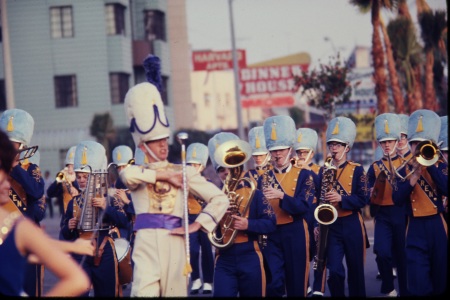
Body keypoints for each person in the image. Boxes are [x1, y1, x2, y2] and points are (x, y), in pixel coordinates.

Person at [119, 54, 229, 297]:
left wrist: (199, 224)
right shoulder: (138, 171)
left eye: (164, 141)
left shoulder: (184, 171)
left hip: (177, 241)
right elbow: (127, 175)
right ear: (142, 146)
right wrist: (163, 178)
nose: (162, 147)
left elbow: (220, 198)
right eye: (155, 142)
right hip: (146, 243)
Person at [0, 128, 93, 297]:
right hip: (66, 225)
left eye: (75, 167)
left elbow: (38, 199)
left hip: (82, 231)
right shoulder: (63, 179)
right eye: (70, 166)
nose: (72, 170)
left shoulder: (89, 186)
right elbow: (51, 192)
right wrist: (60, 180)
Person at [207, 132, 277, 297]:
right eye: (220, 169)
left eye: (228, 168)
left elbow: (270, 223)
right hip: (224, 258)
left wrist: (248, 225)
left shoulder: (255, 193)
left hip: (250, 255)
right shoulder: (213, 196)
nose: (225, 173)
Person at [60, 140, 130, 297]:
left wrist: (106, 207)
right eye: (79, 176)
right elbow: (65, 233)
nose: (82, 179)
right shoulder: (73, 202)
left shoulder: (109, 198)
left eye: (86, 176)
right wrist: (69, 227)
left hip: (104, 252)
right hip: (81, 252)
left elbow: (124, 221)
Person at [392, 109, 447, 296]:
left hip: (437, 225)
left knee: (441, 280)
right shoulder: (403, 169)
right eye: (414, 143)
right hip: (415, 227)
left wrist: (430, 167)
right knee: (418, 283)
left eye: (422, 144)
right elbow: (397, 200)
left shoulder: (440, 166)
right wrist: (414, 177)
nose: (417, 147)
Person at [260, 115, 316, 297]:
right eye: (274, 150)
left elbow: (304, 206)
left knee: (297, 283)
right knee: (273, 282)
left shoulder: (304, 175)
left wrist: (282, 196)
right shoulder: (263, 177)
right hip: (272, 233)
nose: (278, 154)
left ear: (290, 149)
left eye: (282, 149)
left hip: (296, 231)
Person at [319, 116, 368, 297]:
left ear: (347, 148)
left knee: (356, 272)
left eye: (338, 145)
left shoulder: (357, 170)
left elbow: (363, 199)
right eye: (331, 144)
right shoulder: (323, 170)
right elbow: (318, 199)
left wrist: (342, 199)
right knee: (335, 270)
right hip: (331, 226)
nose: (334, 148)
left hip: (352, 223)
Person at [0, 108, 47, 297]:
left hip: (27, 241)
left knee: (30, 290)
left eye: (15, 146)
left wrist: (16, 167)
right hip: (4, 239)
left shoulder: (30, 168)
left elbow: (36, 193)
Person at [366, 113, 408, 297]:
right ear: (380, 144)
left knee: (402, 256)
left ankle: (406, 290)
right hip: (382, 215)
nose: (387, 145)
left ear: (396, 141)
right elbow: (366, 187)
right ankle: (389, 287)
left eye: (390, 141)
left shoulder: (406, 164)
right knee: (382, 251)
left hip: (401, 213)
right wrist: (368, 192)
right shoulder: (374, 166)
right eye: (383, 142)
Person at [292, 127, 322, 297]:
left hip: (316, 213)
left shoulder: (319, 169)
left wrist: (308, 169)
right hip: (301, 214)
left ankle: (318, 287)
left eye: (304, 152)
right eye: (299, 152)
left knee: (319, 253)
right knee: (303, 253)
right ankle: (306, 284)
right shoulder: (294, 171)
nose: (301, 155)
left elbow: (321, 191)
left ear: (311, 153)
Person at [185, 142, 214, 295]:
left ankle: (208, 280)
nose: (193, 167)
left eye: (196, 165)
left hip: (204, 217)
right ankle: (196, 279)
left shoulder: (206, 182)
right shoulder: (182, 183)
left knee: (207, 250)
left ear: (202, 167)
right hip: (189, 219)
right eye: (190, 164)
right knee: (193, 250)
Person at [47, 145, 79, 219]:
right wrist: (57, 181)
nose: (70, 169)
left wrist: (73, 183)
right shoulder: (64, 181)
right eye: (68, 166)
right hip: (66, 219)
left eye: (72, 166)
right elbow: (50, 193)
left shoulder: (82, 180)